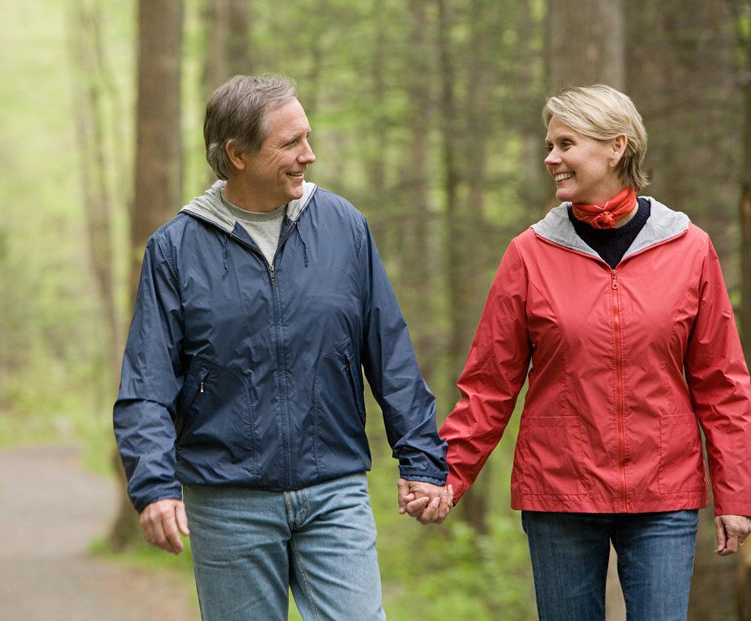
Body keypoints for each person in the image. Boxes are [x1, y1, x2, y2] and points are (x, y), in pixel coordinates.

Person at [113, 74, 453, 621]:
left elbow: (390, 356)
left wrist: (423, 462)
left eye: (307, 138)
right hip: (227, 501)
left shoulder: (344, 227)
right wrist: (155, 486)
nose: (309, 155)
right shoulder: (175, 249)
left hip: (334, 489)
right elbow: (148, 383)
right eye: (291, 143)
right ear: (238, 154)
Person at [406, 84, 751, 619]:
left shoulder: (689, 248)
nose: (551, 158)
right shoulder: (529, 253)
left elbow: (723, 385)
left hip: (664, 493)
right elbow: (489, 386)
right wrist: (447, 477)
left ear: (616, 147)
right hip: (558, 492)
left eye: (565, 144)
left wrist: (736, 496)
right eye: (550, 145)